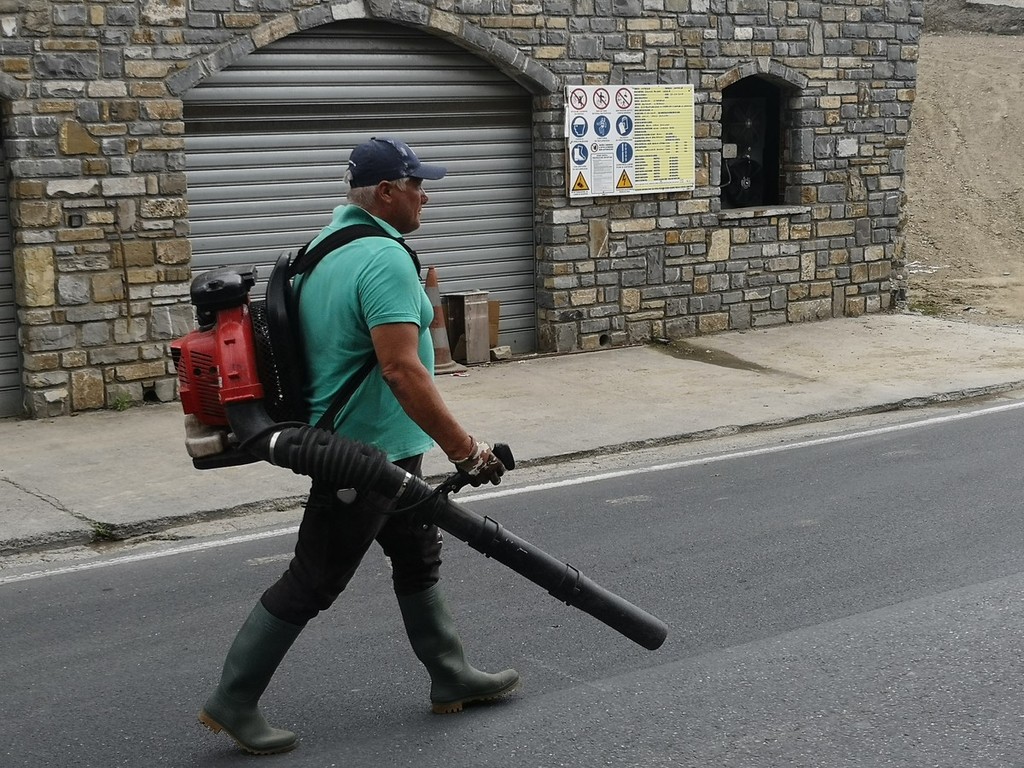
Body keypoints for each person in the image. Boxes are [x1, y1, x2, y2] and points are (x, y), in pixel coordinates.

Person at [198, 136, 517, 755]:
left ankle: (450, 673)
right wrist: (464, 449)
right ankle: (232, 700)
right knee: (314, 578)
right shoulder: (383, 259)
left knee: (417, 554)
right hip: (361, 456)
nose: (426, 197)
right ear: (387, 192)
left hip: (382, 448)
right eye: (418, 185)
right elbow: (401, 369)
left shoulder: (322, 249)